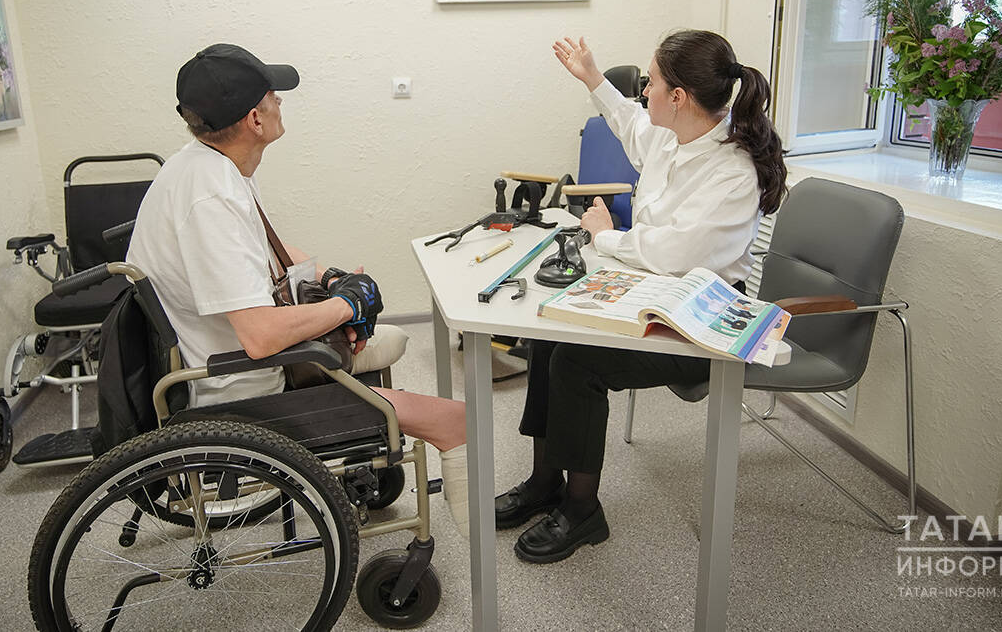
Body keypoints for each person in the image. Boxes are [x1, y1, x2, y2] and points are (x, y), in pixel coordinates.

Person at [126, 43, 469, 529]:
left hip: (229, 358)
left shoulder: (205, 165)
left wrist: (333, 280)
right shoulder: (212, 198)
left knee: (391, 339)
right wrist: (347, 307)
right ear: (255, 119)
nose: (280, 102)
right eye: (273, 96)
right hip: (241, 387)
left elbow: (266, 250)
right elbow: (260, 336)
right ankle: (483, 563)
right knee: (457, 420)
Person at [496, 30, 786, 563]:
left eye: (650, 82)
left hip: (703, 319)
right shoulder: (674, 134)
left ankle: (583, 509)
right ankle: (545, 481)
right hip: (656, 292)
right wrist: (591, 76)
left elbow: (675, 253)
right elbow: (629, 122)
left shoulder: (732, 171)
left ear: (679, 97)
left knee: (577, 363)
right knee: (547, 333)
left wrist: (606, 236)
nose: (643, 91)